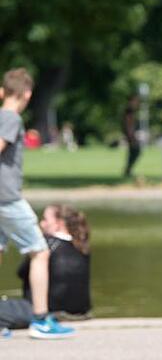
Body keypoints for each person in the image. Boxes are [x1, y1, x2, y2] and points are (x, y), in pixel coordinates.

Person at [0, 68, 75, 339]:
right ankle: (41, 320)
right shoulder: (10, 118)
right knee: (39, 252)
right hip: (6, 198)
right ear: (27, 94)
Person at [18, 204, 91, 317]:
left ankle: (40, 315)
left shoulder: (45, 245)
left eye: (45, 220)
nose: (41, 224)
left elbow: (21, 273)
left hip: (49, 312)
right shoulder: (82, 247)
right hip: (81, 312)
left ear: (58, 224)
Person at [122, 94, 141, 178]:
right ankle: (128, 170)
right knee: (135, 151)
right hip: (131, 135)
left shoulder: (131, 110)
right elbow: (129, 124)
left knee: (134, 152)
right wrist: (131, 136)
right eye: (136, 100)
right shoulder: (129, 110)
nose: (137, 103)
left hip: (131, 134)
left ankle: (128, 170)